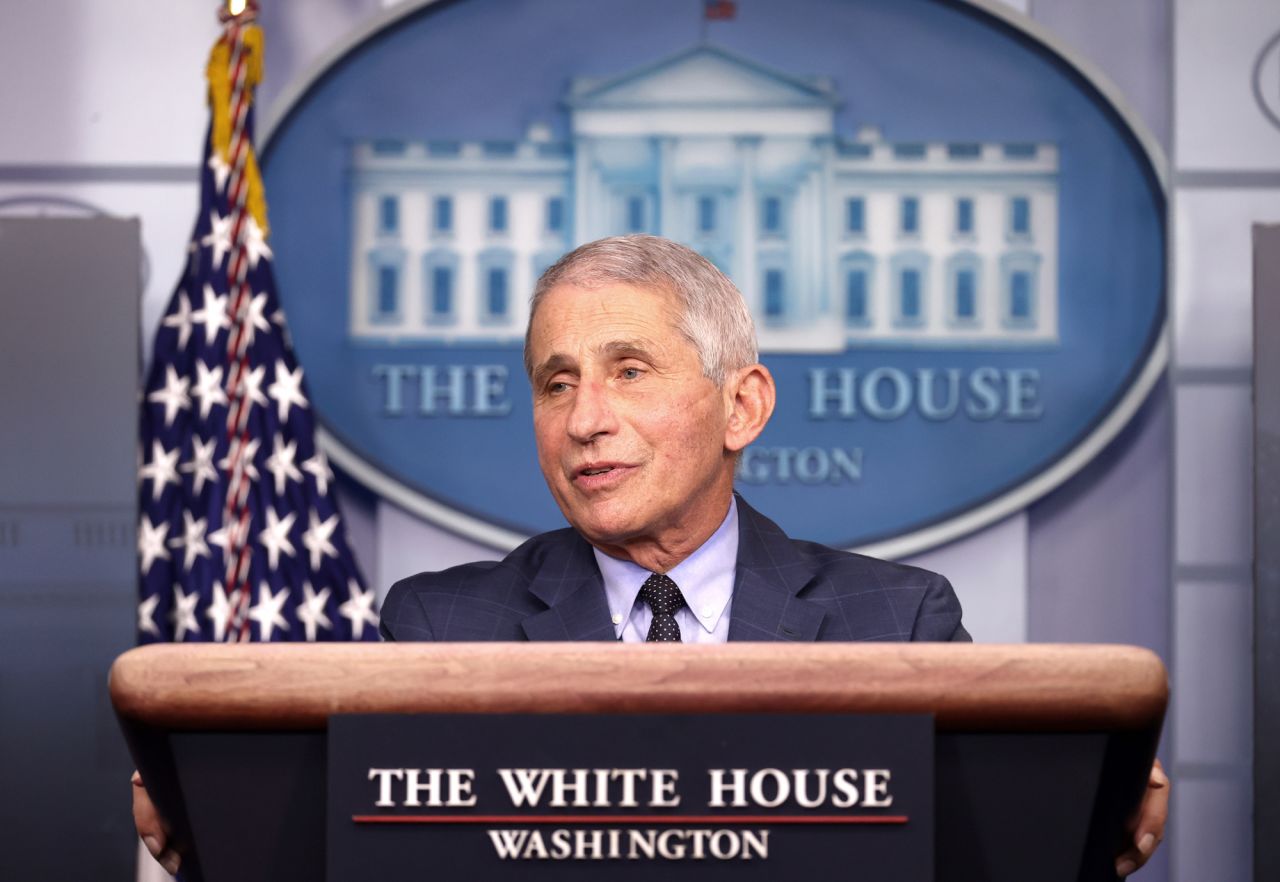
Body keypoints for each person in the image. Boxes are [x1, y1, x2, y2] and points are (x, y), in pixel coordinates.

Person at [135, 234, 1167, 875]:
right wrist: (222, 827)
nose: (586, 419)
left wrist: (1080, 828)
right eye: (555, 382)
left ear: (741, 405)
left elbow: (964, 852)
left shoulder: (896, 619)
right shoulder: (436, 627)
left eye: (629, 371)